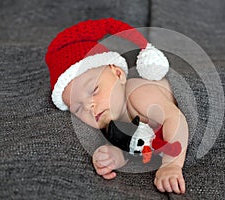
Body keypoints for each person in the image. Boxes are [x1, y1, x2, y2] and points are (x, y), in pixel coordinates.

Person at [46, 18, 189, 194]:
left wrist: (171, 164)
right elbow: (133, 146)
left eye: (94, 90)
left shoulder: (138, 93)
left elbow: (175, 118)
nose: (90, 106)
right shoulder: (111, 125)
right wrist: (114, 156)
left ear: (118, 73)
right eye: (78, 108)